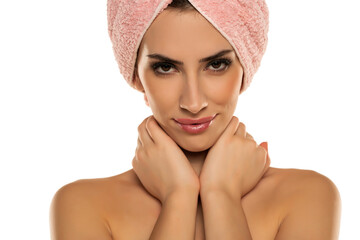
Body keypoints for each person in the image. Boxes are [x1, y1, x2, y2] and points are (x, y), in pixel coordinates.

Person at [49, 0, 341, 239]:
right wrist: (179, 196)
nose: (193, 102)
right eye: (165, 67)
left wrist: (221, 194)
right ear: (137, 76)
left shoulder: (308, 196)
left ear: (245, 66)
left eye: (216, 65)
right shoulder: (82, 205)